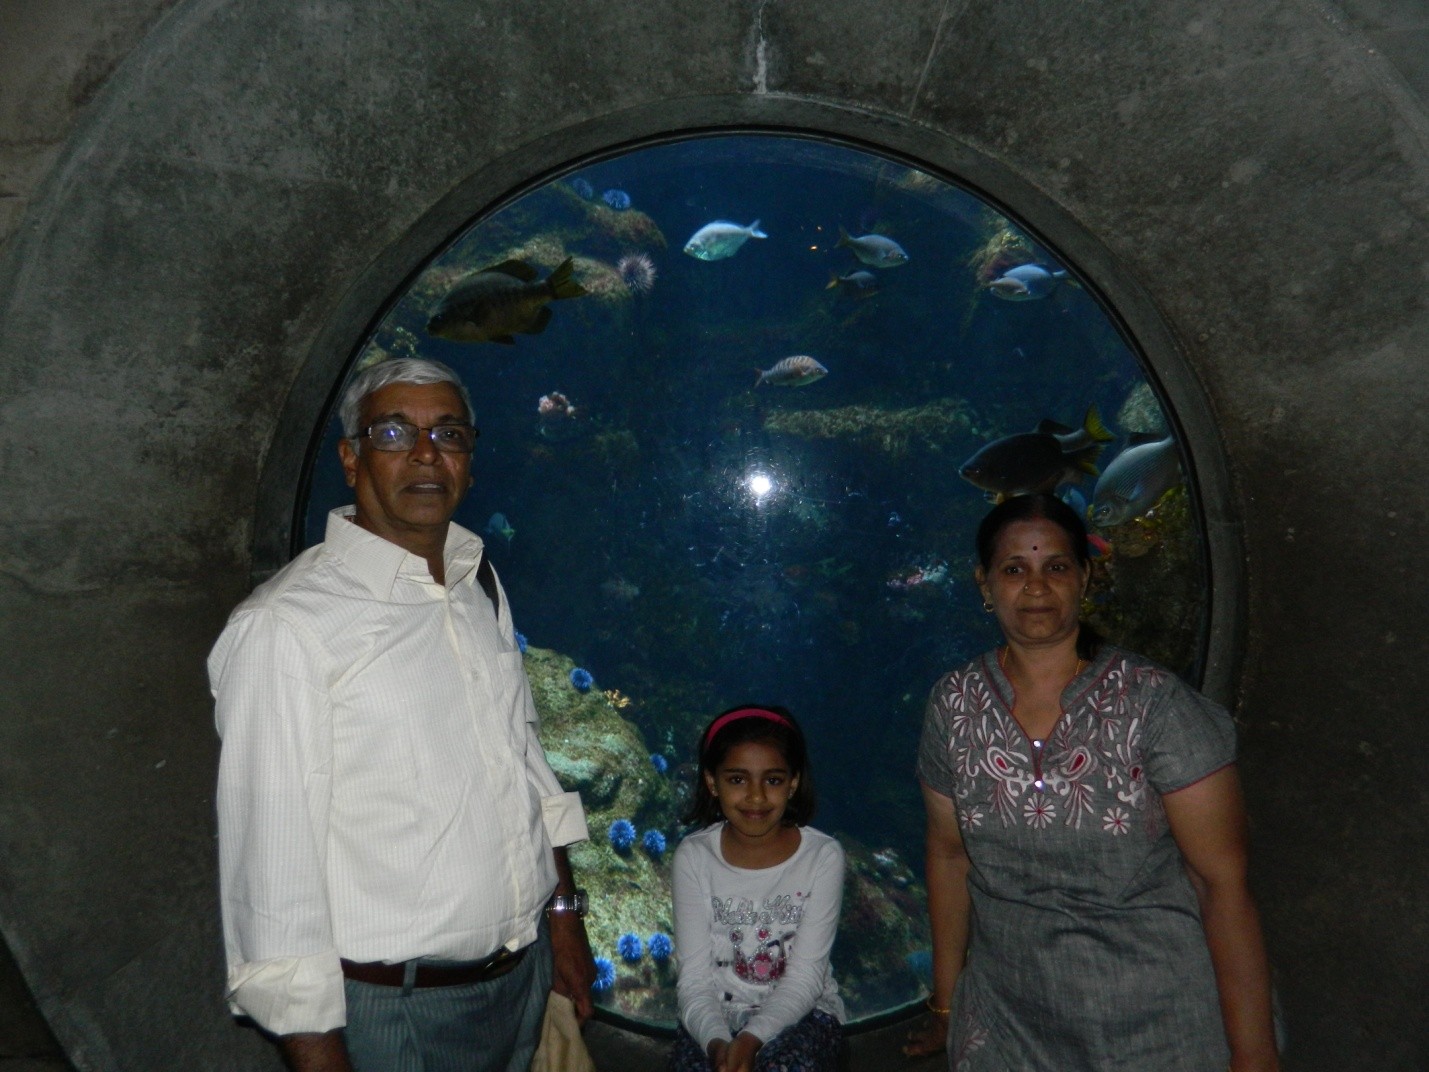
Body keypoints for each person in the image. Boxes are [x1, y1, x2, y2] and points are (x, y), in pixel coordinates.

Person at [209, 357, 595, 1072]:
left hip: (520, 981)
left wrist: (564, 917)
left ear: (471, 461)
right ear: (351, 458)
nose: (425, 453)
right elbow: (271, 870)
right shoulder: (286, 628)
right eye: (394, 432)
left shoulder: (474, 574)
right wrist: (316, 1050)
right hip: (391, 1012)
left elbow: (523, 758)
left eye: (448, 433)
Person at [904, 493, 1279, 1071]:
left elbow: (1220, 884)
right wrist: (947, 1006)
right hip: (1010, 1023)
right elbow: (950, 856)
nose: (1035, 586)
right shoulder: (953, 705)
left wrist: (1255, 1057)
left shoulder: (1153, 704)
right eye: (1014, 569)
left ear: (1085, 578)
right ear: (984, 585)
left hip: (1159, 1025)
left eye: (1055, 566)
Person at [670, 707, 846, 1072]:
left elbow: (805, 978)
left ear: (793, 783)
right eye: (737, 780)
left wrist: (751, 1040)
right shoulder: (693, 857)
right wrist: (718, 1043)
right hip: (713, 1020)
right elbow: (694, 980)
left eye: (773, 780)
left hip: (806, 1015)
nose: (755, 797)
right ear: (712, 782)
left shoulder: (823, 857)